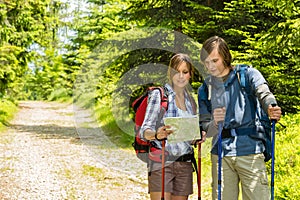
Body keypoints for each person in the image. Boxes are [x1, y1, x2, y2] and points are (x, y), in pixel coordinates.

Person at [197, 36, 282, 200]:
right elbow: (204, 127)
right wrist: (213, 122)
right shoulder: (205, 88)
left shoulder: (247, 74)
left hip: (250, 150)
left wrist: (271, 106)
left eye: (215, 61)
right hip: (221, 153)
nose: (210, 66)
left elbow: (263, 92)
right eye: (206, 63)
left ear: (225, 57)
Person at [140, 53, 206, 200]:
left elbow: (188, 136)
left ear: (190, 74)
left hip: (185, 164)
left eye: (185, 72)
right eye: (177, 71)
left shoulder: (191, 100)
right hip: (162, 163)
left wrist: (197, 138)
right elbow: (144, 130)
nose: (181, 76)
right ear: (170, 73)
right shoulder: (160, 95)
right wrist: (157, 134)